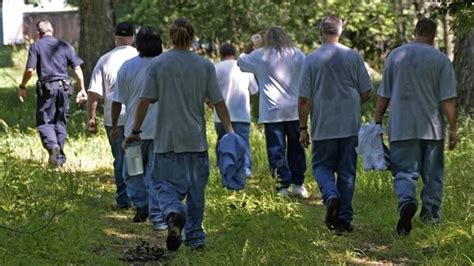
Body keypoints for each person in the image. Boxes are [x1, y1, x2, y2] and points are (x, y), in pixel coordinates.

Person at [123, 18, 234, 251]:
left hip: (167, 141)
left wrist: (135, 131)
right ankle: (195, 238)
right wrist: (230, 130)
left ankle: (173, 213)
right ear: (192, 37)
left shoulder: (159, 64)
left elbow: (144, 100)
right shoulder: (204, 65)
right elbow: (219, 102)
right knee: (196, 193)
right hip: (195, 140)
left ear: (170, 37)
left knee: (163, 186)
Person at [374, 18, 457, 235]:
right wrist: (453, 128)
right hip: (433, 129)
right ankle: (430, 220)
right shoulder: (441, 60)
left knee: (403, 173)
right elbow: (447, 99)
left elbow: (384, 93)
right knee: (433, 177)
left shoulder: (396, 56)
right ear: (434, 34)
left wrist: (377, 120)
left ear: (415, 31)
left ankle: (406, 202)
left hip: (402, 128)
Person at [299, 15, 372, 234]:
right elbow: (366, 91)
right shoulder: (353, 56)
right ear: (340, 33)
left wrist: (303, 128)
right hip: (349, 125)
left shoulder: (310, 60)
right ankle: (344, 220)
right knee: (347, 172)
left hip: (323, 124)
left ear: (321, 33)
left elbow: (304, 99)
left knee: (322, 166)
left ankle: (330, 195)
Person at [238, 26, 308, 198]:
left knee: (276, 149)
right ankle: (298, 184)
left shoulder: (261, 55)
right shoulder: (297, 54)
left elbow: (240, 61)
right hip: (294, 110)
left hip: (272, 111)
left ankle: (282, 186)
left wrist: (253, 44)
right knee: (297, 148)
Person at [111, 26, 166, 229]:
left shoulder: (128, 67)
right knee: (156, 173)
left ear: (138, 43)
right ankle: (156, 213)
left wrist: (115, 125)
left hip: (134, 130)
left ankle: (141, 205)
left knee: (133, 171)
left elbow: (117, 100)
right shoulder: (165, 65)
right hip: (161, 130)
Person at [17, 19, 87, 167]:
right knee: (60, 122)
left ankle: (52, 146)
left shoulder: (36, 46)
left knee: (45, 122)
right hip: (65, 88)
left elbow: (30, 70)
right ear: (52, 30)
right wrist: (82, 89)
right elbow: (77, 69)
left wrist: (22, 86)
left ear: (38, 33)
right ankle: (58, 160)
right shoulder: (64, 45)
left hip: (47, 88)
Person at [87, 22, 138, 210]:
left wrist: (91, 118)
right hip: (137, 117)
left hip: (113, 119)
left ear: (115, 37)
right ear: (132, 38)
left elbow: (94, 93)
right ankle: (138, 198)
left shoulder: (105, 59)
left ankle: (123, 199)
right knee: (135, 157)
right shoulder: (141, 58)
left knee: (120, 158)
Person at [213, 43, 258, 182]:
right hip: (241, 113)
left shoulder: (215, 68)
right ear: (234, 53)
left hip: (220, 115)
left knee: (222, 142)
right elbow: (254, 90)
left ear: (220, 54)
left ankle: (224, 168)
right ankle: (245, 169)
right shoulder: (244, 68)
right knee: (243, 142)